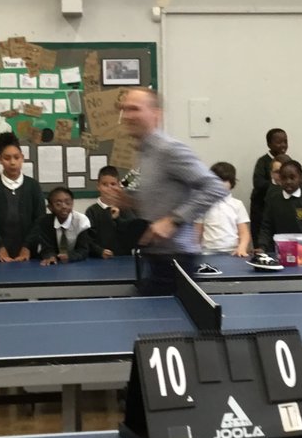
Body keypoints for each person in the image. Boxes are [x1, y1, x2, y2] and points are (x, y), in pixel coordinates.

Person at [100, 89, 227, 293]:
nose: (128, 115)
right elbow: (161, 203)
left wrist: (173, 220)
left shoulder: (169, 150)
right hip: (152, 258)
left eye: (134, 109)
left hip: (176, 262)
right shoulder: (144, 153)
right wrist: (130, 202)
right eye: (125, 109)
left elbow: (215, 188)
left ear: (155, 114)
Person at [0, 131, 45, 263]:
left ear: (22, 157)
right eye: (7, 158)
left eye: (16, 157)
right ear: (0, 160)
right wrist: (0, 246)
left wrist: (27, 247)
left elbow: (40, 219)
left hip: (28, 254)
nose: (12, 162)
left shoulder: (33, 186)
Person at [256, 159, 302, 254]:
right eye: (284, 178)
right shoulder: (273, 200)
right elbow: (266, 227)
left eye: (292, 177)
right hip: (279, 251)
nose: (288, 181)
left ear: (300, 178)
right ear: (280, 179)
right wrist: (262, 247)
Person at [197, 162, 252, 257]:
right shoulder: (204, 204)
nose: (220, 184)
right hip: (207, 251)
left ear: (232, 182)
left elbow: (244, 232)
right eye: (216, 180)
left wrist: (242, 247)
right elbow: (197, 231)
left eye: (224, 180)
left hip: (233, 251)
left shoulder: (237, 204)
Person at [85, 166, 138, 259]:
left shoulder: (125, 208)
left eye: (113, 184)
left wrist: (117, 218)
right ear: (98, 186)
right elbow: (87, 239)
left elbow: (133, 232)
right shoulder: (91, 211)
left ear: (118, 186)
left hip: (124, 260)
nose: (109, 188)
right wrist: (99, 251)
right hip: (98, 261)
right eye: (104, 184)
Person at [249, 128, 288, 247]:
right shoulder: (262, 162)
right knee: (264, 245)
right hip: (262, 212)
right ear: (269, 144)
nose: (283, 145)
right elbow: (258, 183)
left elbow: (300, 185)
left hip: (283, 213)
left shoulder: (289, 162)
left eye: (285, 141)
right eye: (278, 142)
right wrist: (277, 184)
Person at [36, 186, 91, 265]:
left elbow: (83, 250)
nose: (64, 207)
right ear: (50, 207)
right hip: (55, 265)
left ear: (72, 203)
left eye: (68, 203)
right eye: (58, 204)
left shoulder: (81, 221)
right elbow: (46, 247)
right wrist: (50, 256)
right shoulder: (45, 222)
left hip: (76, 264)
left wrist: (70, 257)